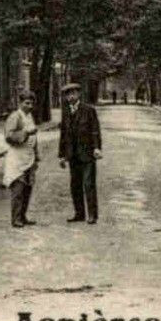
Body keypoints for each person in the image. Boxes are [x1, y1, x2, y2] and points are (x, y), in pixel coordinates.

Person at [57, 82, 102, 224]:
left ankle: (92, 215)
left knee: (88, 184)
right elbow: (63, 135)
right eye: (68, 94)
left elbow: (95, 130)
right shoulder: (66, 112)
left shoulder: (89, 110)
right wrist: (62, 155)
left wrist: (96, 148)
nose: (71, 97)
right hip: (72, 155)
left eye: (73, 93)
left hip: (87, 153)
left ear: (79, 94)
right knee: (75, 185)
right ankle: (79, 213)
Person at [2, 90, 39, 228]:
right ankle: (16, 218)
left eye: (31, 103)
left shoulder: (29, 117)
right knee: (18, 188)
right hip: (17, 157)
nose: (29, 106)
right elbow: (9, 136)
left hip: (28, 156)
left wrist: (36, 156)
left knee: (28, 188)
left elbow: (35, 138)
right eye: (26, 103)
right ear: (20, 103)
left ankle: (23, 216)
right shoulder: (15, 117)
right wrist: (26, 133)